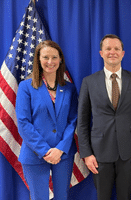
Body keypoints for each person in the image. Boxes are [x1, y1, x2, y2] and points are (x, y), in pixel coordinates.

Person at [77, 34, 131, 200]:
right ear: (101, 53)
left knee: (125, 196)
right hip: (99, 153)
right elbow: (82, 121)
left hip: (129, 153)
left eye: (116, 49)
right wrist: (86, 154)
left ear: (123, 53)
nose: (112, 52)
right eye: (108, 48)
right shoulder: (89, 82)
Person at [15, 40, 78, 200]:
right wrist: (44, 150)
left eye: (54, 57)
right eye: (45, 57)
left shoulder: (69, 88)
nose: (50, 62)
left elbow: (73, 120)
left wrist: (60, 149)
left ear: (60, 59)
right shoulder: (26, 86)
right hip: (34, 153)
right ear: (38, 59)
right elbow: (23, 122)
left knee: (62, 196)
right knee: (39, 197)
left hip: (63, 153)